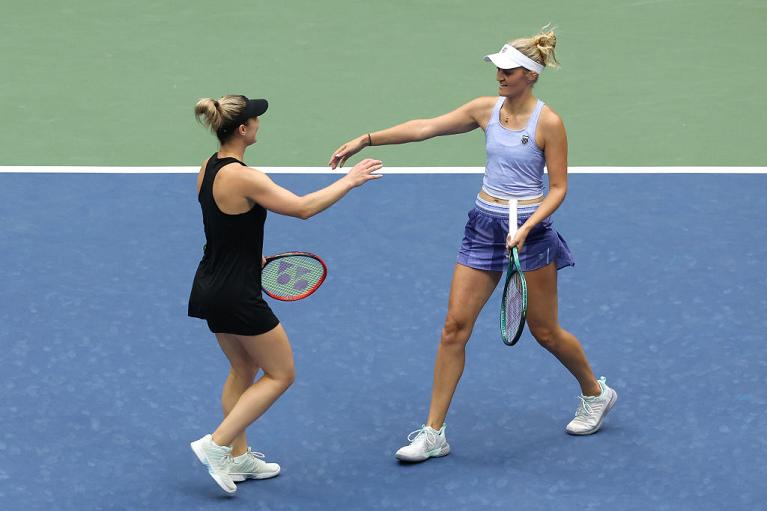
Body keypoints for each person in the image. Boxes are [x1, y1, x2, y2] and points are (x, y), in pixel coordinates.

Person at [329, 28, 617, 463]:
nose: (499, 75)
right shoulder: (486, 109)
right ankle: (433, 433)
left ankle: (595, 392)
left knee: (545, 332)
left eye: (508, 70)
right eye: (498, 68)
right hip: (483, 226)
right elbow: (426, 127)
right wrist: (367, 138)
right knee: (453, 328)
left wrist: (528, 225)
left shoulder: (549, 123)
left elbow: (557, 188)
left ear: (530, 75)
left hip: (530, 232)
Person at [188, 94, 382, 492]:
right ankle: (217, 445)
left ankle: (238, 458)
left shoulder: (208, 168)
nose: (260, 122)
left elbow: (222, 224)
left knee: (243, 370)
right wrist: (349, 180)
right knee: (281, 373)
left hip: (209, 285)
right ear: (243, 129)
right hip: (237, 294)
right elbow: (302, 208)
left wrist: (251, 255)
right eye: (255, 118)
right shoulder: (246, 176)